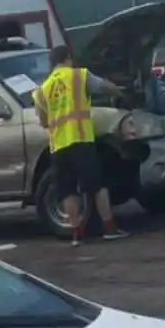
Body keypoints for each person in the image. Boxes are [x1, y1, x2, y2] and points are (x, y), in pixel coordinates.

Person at [33, 45, 127, 244]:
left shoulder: (43, 89)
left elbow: (43, 121)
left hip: (58, 145)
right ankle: (109, 228)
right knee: (97, 185)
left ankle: (77, 234)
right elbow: (103, 86)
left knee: (67, 190)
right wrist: (119, 91)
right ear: (68, 58)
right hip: (81, 139)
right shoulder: (79, 76)